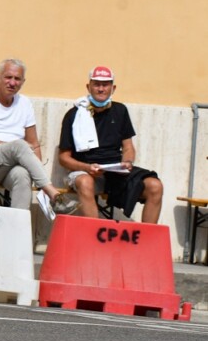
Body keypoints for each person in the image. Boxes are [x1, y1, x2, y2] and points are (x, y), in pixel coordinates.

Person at [0, 58, 77, 219]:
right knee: (19, 145)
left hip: (8, 167)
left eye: (17, 79)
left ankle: (16, 227)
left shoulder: (24, 103)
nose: (12, 82)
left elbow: (34, 143)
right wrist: (10, 148)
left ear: (23, 82)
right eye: (8, 77)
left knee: (23, 175)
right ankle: (53, 194)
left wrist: (36, 170)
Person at [58, 66, 163, 223]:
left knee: (155, 186)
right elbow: (63, 158)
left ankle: (147, 238)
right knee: (84, 182)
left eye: (105, 85)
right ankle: (94, 234)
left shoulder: (120, 111)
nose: (101, 89)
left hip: (115, 171)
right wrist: (87, 167)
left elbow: (128, 147)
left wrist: (127, 162)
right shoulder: (73, 115)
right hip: (86, 170)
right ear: (88, 87)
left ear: (113, 88)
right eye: (96, 84)